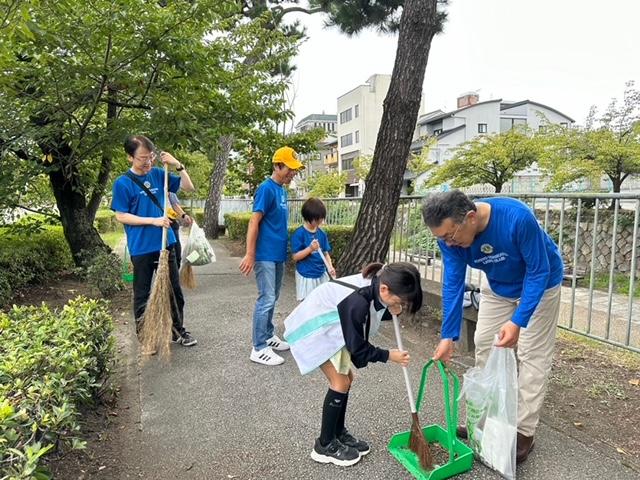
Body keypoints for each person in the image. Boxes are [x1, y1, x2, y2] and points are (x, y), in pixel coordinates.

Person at [421, 190, 564, 464]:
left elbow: (538, 270)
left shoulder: (516, 218)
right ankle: (482, 419)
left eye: (450, 236)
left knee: (532, 355)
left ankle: (523, 431)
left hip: (541, 284)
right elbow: (453, 282)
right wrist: (448, 335)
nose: (448, 244)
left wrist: (518, 321)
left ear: (471, 218)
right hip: (498, 286)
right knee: (485, 344)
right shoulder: (448, 239)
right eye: (441, 239)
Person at [283, 262, 423, 467]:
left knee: (347, 379)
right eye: (399, 299)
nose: (399, 304)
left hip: (334, 328)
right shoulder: (357, 300)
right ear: (385, 289)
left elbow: (372, 313)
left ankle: (338, 433)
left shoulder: (377, 284)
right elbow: (358, 347)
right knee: (340, 382)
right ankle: (324, 445)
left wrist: (393, 308)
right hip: (317, 330)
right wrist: (387, 355)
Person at [111, 135, 198, 347]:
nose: (148, 162)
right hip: (141, 247)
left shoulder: (160, 174)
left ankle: (178, 331)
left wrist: (178, 165)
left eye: (151, 157)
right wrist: (153, 221)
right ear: (130, 157)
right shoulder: (123, 183)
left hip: (166, 245)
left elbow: (189, 187)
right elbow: (121, 215)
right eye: (142, 158)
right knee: (142, 294)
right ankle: (146, 338)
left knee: (174, 292)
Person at [239, 146, 303, 366]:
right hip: (265, 254)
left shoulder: (281, 190)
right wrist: (250, 254)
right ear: (277, 166)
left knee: (273, 297)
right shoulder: (266, 189)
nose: (293, 173)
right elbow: (254, 221)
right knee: (266, 299)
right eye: (290, 169)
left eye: (295, 169)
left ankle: (267, 335)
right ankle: (258, 347)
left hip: (276, 254)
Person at [291, 197, 335, 301]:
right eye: (318, 218)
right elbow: (295, 257)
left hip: (321, 274)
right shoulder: (299, 234)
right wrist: (310, 249)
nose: (321, 220)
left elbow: (325, 253)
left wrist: (330, 267)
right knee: (308, 304)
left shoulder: (322, 234)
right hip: (306, 275)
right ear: (309, 217)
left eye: (321, 218)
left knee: (323, 302)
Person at [167, 191, 193, 269]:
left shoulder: (168, 184)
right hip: (157, 224)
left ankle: (174, 274)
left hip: (171, 223)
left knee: (176, 253)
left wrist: (184, 215)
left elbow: (174, 204)